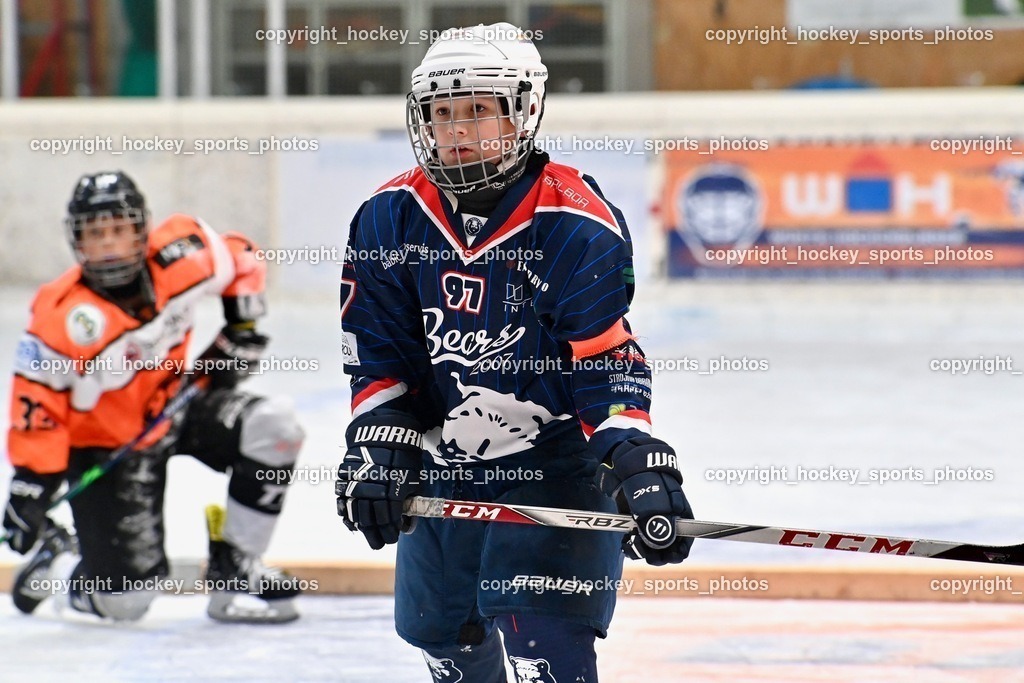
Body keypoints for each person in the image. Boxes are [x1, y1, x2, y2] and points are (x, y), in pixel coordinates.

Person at [336, 23, 694, 682]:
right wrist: (382, 443)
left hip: (555, 461)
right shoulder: (388, 217)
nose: (457, 131)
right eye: (442, 114)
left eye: (477, 110)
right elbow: (380, 355)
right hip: (448, 458)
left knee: (543, 640)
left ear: (523, 111)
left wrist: (634, 454)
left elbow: (602, 358)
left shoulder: (574, 221)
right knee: (438, 632)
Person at [3, 171, 305, 623]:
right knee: (124, 602)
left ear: (141, 230)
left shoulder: (182, 254)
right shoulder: (61, 317)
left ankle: (236, 567)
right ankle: (57, 562)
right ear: (77, 240)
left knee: (275, 427)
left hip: (174, 407)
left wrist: (241, 327)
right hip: (110, 446)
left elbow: (242, 255)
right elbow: (36, 408)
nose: (107, 244)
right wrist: (31, 482)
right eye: (95, 233)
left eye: (118, 230)